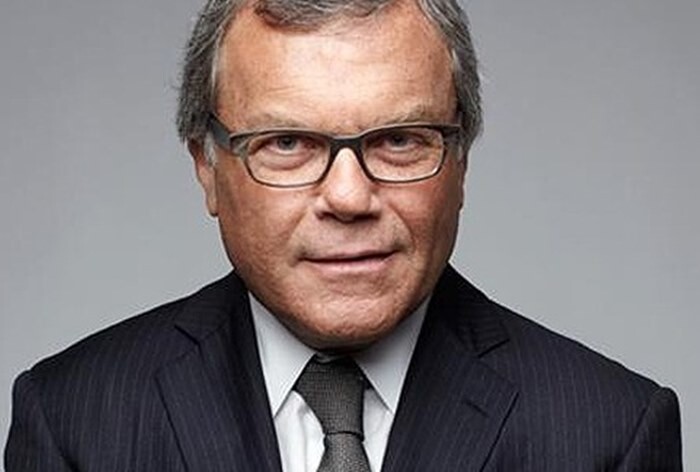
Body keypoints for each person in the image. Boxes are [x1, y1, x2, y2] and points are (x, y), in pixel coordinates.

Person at [4, 0, 682, 470]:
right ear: (207, 168)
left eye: (400, 139)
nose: (350, 197)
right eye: (287, 143)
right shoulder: (73, 422)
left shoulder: (610, 433)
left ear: (461, 163)